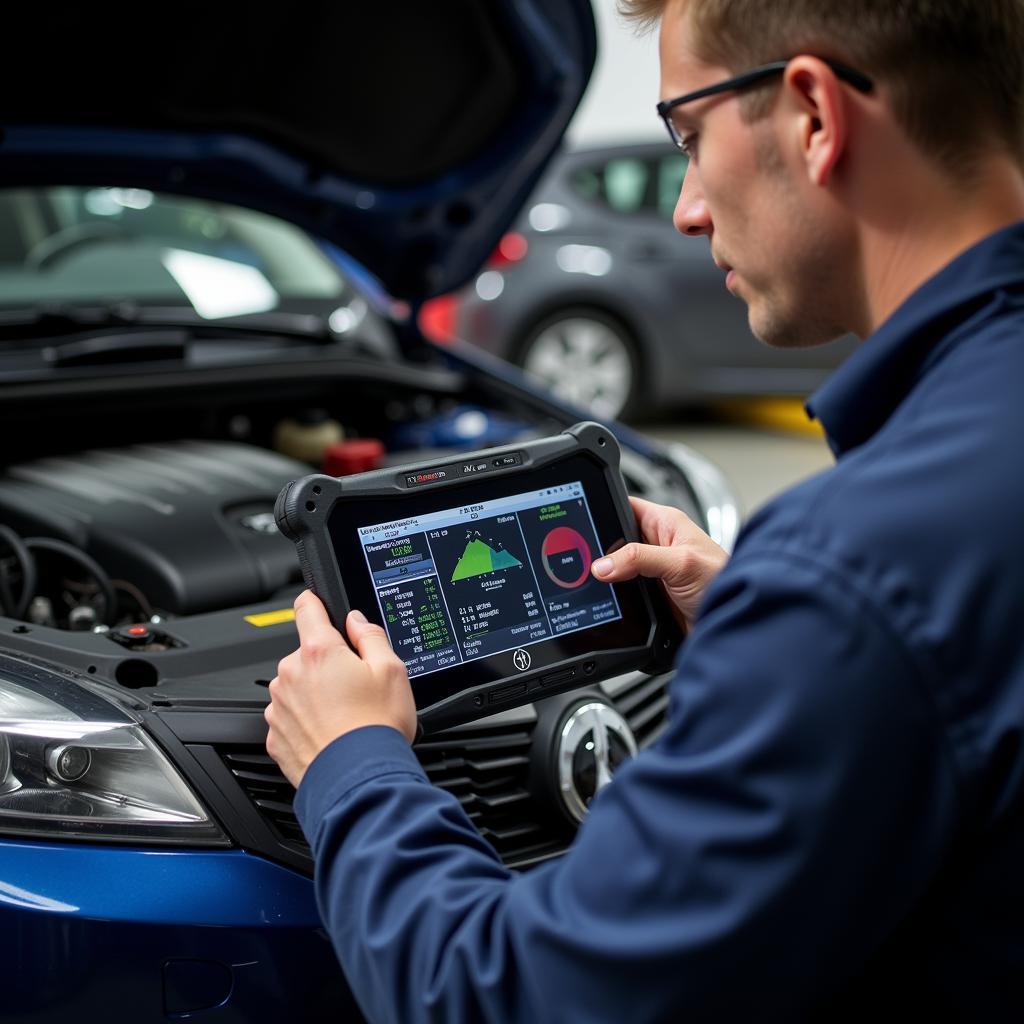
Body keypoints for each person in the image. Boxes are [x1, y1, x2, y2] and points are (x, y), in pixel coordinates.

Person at [264, 0, 1024, 1019]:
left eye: (690, 136)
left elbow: (505, 997)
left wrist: (350, 762)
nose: (686, 208)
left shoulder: (853, 575)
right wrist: (770, 630)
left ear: (811, 115)